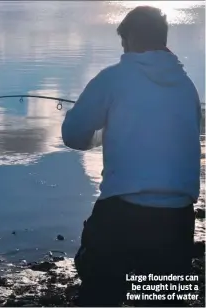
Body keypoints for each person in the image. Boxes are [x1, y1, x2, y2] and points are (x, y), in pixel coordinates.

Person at [61, 6, 202, 307]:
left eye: (123, 42)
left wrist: (101, 133)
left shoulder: (114, 78)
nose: (123, 49)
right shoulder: (188, 88)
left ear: (132, 38)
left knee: (99, 295)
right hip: (178, 217)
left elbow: (73, 136)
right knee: (165, 301)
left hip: (123, 213)